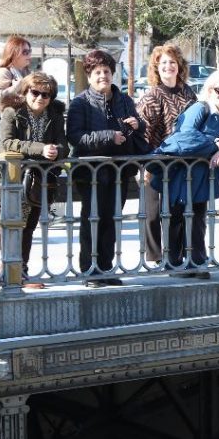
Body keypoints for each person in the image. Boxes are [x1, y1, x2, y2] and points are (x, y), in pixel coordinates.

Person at [149, 71, 219, 277]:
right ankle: (174, 263)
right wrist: (212, 144)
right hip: (180, 170)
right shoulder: (199, 108)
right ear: (210, 90)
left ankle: (196, 261)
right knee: (177, 217)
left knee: (197, 217)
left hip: (206, 173)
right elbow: (184, 137)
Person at [67, 49, 146, 287]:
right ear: (89, 75)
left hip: (120, 171)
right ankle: (89, 270)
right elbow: (75, 137)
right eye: (98, 72)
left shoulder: (124, 100)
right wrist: (109, 136)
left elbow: (137, 131)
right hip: (91, 172)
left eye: (107, 71)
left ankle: (106, 267)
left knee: (112, 219)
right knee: (92, 219)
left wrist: (137, 124)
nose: (103, 76)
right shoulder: (80, 103)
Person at [0, 72, 68, 288]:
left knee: (29, 227)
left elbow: (65, 145)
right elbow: (7, 143)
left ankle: (20, 271)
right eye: (35, 92)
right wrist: (40, 149)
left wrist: (57, 150)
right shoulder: (12, 112)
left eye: (46, 95)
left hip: (37, 179)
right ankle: (10, 270)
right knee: (9, 224)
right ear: (25, 92)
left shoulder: (54, 115)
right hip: (7, 176)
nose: (40, 98)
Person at [135, 44, 197, 266]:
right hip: (153, 160)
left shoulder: (189, 94)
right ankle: (154, 256)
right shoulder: (152, 96)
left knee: (176, 211)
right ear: (156, 68)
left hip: (181, 162)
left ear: (179, 66)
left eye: (172, 62)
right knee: (152, 213)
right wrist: (144, 166)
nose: (169, 67)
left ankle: (175, 255)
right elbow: (143, 135)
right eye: (164, 63)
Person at [0, 35, 33, 111]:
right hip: (5, 118)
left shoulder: (27, 73)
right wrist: (15, 88)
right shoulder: (3, 72)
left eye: (29, 51)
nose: (29, 55)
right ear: (14, 54)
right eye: (25, 52)